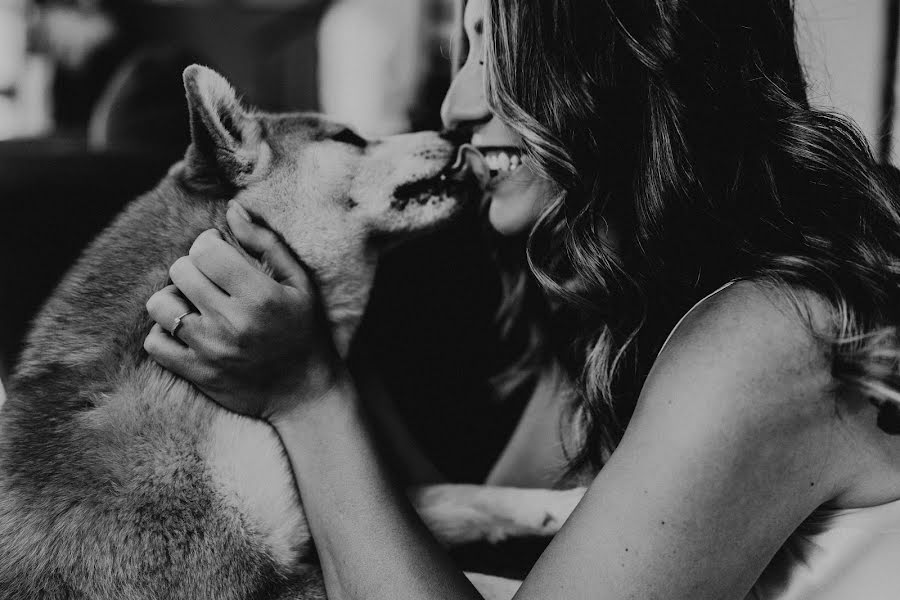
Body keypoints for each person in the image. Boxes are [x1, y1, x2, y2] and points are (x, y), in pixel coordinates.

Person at [143, 0, 900, 598]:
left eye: (492, 47)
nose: (453, 104)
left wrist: (307, 396)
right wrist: (326, 327)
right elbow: (499, 528)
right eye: (463, 46)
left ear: (624, 52)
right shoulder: (633, 307)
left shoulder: (769, 337)